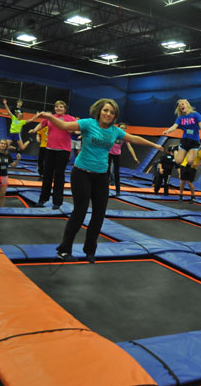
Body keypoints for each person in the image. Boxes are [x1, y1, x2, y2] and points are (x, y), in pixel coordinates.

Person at [39, 98, 164, 263]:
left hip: (101, 176)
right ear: (99, 111)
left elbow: (133, 138)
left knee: (99, 214)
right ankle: (64, 250)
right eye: (106, 110)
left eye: (112, 112)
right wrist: (49, 116)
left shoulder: (115, 131)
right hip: (82, 173)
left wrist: (154, 146)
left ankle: (90, 250)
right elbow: (65, 126)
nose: (108, 114)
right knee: (80, 211)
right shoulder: (88, 124)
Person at [29, 100, 76, 209]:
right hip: (50, 149)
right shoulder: (50, 117)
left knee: (59, 176)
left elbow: (76, 128)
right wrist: (34, 130)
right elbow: (41, 124)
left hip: (63, 151)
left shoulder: (70, 118)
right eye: (57, 107)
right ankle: (43, 199)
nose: (59, 108)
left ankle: (57, 202)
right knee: (47, 175)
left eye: (61, 107)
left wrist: (74, 131)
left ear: (65, 109)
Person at [162, 99, 201, 168]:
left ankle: (191, 151)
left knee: (189, 162)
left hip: (194, 141)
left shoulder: (196, 115)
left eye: (183, 104)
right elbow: (174, 126)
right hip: (185, 140)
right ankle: (174, 149)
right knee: (178, 161)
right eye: (179, 106)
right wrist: (168, 130)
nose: (181, 106)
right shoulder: (180, 118)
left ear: (187, 105)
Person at [0, 139, 21, 207]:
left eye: (4, 144)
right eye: (2, 143)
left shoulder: (8, 155)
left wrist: (18, 160)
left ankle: (1, 210)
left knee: (2, 194)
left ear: (6, 146)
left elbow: (13, 165)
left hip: (4, 177)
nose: (3, 145)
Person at [108, 122, 140, 196]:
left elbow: (130, 147)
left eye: (124, 128)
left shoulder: (124, 136)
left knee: (116, 172)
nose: (123, 129)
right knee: (108, 171)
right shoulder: (113, 133)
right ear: (118, 128)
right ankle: (107, 186)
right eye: (121, 127)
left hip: (117, 155)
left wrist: (134, 157)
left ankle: (117, 190)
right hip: (109, 154)